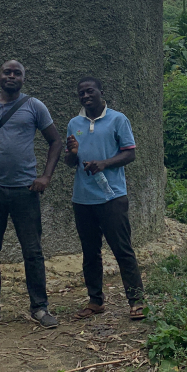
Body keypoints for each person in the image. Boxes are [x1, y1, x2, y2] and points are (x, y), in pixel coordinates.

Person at [0, 60, 62, 331]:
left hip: (25, 191)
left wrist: (45, 176)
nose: (11, 76)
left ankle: (40, 307)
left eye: (17, 73)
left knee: (32, 251)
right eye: (7, 72)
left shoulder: (34, 106)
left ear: (23, 78)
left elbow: (55, 141)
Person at [64, 77, 146, 321]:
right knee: (90, 253)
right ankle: (95, 301)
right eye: (81, 93)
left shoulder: (118, 119)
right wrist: (73, 154)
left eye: (90, 91)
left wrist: (104, 164)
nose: (85, 96)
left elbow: (129, 154)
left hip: (112, 197)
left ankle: (136, 300)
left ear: (101, 92)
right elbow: (69, 162)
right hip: (83, 198)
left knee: (122, 250)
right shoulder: (74, 123)